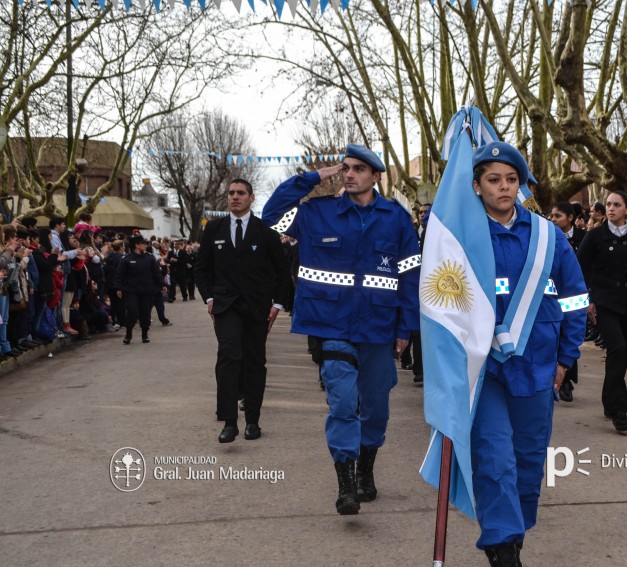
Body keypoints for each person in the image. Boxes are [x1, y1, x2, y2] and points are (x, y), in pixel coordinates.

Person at [448, 142, 587, 565]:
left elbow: (574, 298)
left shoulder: (549, 236)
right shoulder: (460, 237)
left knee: (528, 461)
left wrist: (567, 358)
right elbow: (440, 301)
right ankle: (502, 546)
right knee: (494, 456)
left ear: (522, 185)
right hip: (483, 366)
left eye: (511, 180)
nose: (504, 187)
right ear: (476, 186)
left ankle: (513, 533)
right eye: (493, 180)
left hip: (539, 364)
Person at [261, 145, 420, 515]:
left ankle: (367, 469)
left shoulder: (396, 218)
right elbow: (270, 216)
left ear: (376, 176)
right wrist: (316, 176)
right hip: (331, 323)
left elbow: (410, 275)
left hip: (379, 327)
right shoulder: (317, 213)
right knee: (343, 401)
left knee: (376, 407)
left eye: (359, 169)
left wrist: (406, 327)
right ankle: (346, 480)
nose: (349, 174)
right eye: (346, 168)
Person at [195, 179, 287, 444]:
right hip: (225, 306)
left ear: (251, 197)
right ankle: (229, 422)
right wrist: (209, 298)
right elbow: (201, 269)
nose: (235, 197)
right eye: (231, 193)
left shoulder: (266, 233)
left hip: (257, 308)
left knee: (255, 362)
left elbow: (282, 274)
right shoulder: (214, 229)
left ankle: (253, 421)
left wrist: (277, 305)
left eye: (240, 193)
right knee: (229, 356)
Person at [577, 190, 627, 433]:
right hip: (604, 303)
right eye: (608, 204)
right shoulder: (595, 236)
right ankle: (620, 410)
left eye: (616, 204)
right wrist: (587, 300)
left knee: (622, 351)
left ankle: (609, 400)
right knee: (617, 347)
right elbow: (580, 269)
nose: (611, 208)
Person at [549, 201, 586, 401]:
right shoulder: (545, 236)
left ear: (570, 218)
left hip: (571, 293)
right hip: (551, 304)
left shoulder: (583, 237)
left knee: (568, 337)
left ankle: (566, 375)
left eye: (558, 216)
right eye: (552, 216)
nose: (554, 219)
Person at [115, 235, 166, 346]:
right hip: (132, 291)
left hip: (147, 290)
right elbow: (120, 275)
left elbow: (156, 273)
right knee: (133, 312)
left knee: (145, 313)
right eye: (143, 243)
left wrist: (162, 284)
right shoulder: (127, 259)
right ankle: (128, 334)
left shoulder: (149, 258)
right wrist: (119, 287)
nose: (146, 245)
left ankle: (144, 334)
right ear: (137, 245)